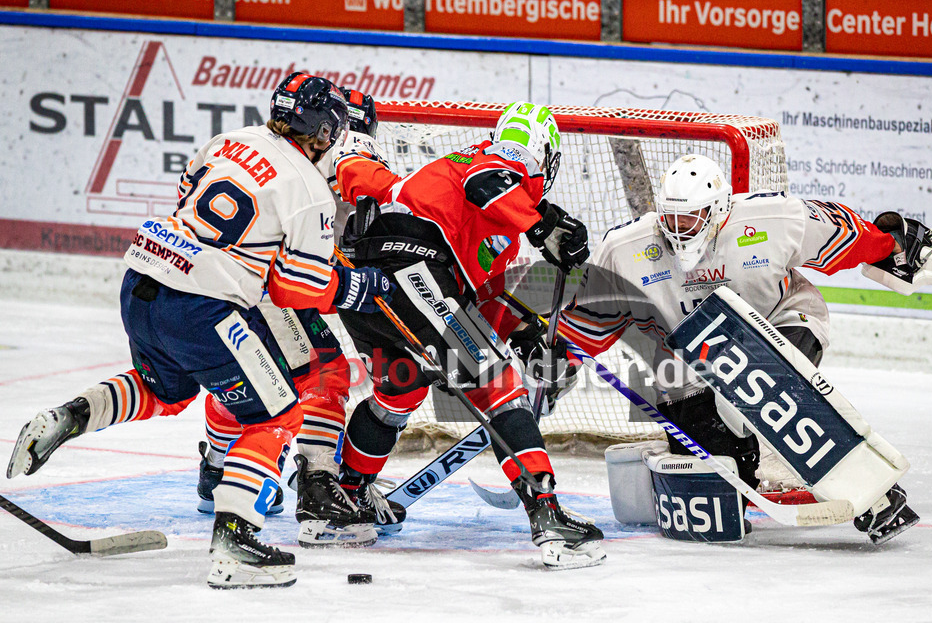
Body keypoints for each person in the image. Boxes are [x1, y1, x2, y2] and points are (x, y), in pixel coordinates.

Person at [6, 72, 391, 588]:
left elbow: (188, 198)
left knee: (167, 389)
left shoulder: (229, 140)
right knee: (276, 412)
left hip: (142, 281)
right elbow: (295, 288)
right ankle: (235, 543)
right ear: (325, 130)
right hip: (202, 306)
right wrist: (354, 288)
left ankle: (69, 416)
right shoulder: (307, 189)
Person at [560, 153, 929, 545]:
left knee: (764, 384)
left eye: (691, 217)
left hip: (780, 323)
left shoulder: (772, 218)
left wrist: (892, 244)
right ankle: (747, 463)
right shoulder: (625, 249)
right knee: (718, 489)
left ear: (719, 210)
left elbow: (845, 237)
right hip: (688, 366)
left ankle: (874, 495)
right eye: (671, 218)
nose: (679, 228)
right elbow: (586, 325)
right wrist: (551, 366)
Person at [329, 101, 605, 569]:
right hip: (412, 271)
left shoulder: (494, 213)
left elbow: (475, 298)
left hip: (374, 290)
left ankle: (344, 503)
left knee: (398, 392)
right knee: (499, 386)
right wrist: (544, 224)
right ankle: (549, 518)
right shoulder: (502, 162)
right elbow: (486, 182)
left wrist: (525, 333)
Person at [194, 89, 393, 548]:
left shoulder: (248, 142)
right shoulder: (346, 149)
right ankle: (319, 494)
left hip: (217, 279)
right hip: (273, 286)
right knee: (325, 373)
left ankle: (216, 470)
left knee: (245, 384)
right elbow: (364, 184)